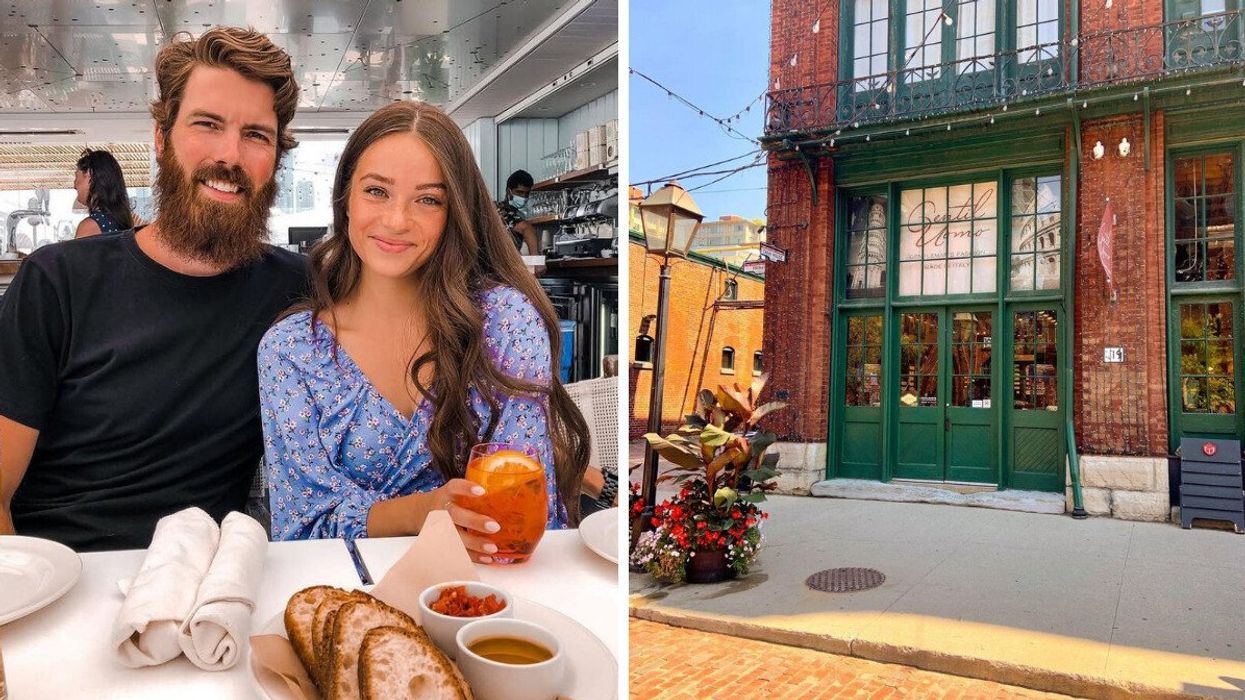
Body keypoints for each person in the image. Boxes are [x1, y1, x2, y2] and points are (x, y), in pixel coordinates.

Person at [0, 27, 308, 552]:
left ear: (276, 156)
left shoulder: (299, 289)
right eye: (207, 124)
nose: (230, 154)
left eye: (257, 135)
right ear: (162, 138)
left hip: (205, 581)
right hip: (57, 568)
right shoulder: (57, 281)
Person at [259, 101, 590, 563]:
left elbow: (524, 512)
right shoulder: (291, 350)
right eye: (376, 191)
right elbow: (300, 527)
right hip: (341, 593)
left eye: (428, 199)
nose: (397, 220)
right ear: (345, 198)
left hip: (486, 590)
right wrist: (424, 512)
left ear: (455, 212)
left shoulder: (504, 322)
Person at [73, 148, 136, 237]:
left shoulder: (90, 227)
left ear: (89, 174)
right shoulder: (121, 221)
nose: (74, 185)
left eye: (76, 177)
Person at [496, 169, 540, 255]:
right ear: (509, 191)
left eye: (527, 193)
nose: (523, 197)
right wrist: (536, 259)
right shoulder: (500, 210)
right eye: (519, 192)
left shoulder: (517, 213)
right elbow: (526, 228)